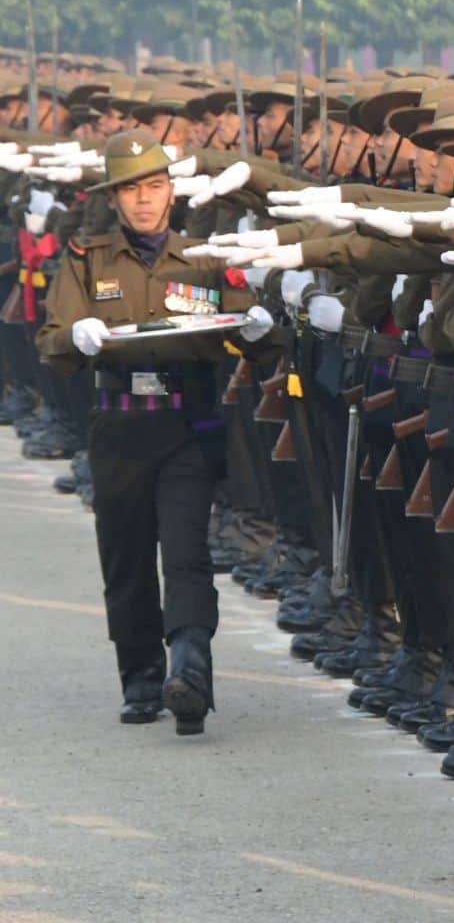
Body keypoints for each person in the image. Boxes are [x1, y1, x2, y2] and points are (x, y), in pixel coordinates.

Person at [37, 129, 275, 733]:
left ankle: (190, 668)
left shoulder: (205, 258)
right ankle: (141, 677)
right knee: (127, 557)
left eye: (154, 186)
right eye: (131, 190)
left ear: (172, 192)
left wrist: (259, 328)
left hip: (185, 421)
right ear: (113, 200)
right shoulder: (87, 259)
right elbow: (53, 341)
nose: (144, 200)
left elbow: (260, 337)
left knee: (188, 548)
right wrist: (77, 337)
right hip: (118, 421)